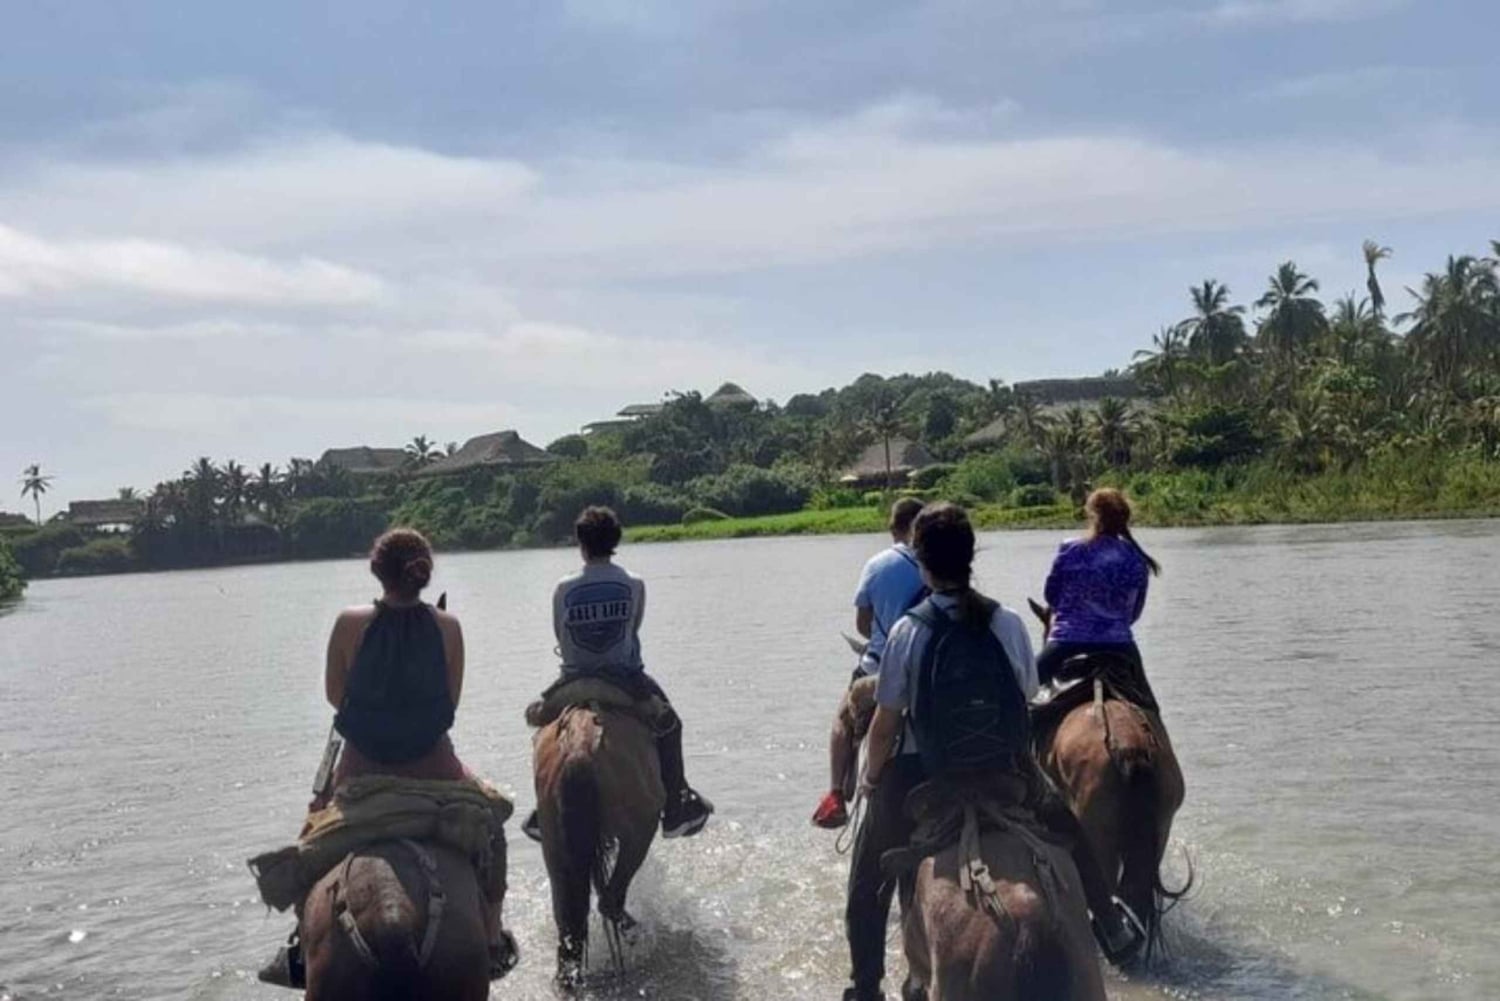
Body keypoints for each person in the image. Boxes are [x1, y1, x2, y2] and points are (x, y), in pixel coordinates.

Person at [846, 504, 1140, 1000]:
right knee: (1069, 829)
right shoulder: (1004, 621)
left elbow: (886, 723)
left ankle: (866, 985)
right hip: (1007, 769)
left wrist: (872, 779)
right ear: (971, 557)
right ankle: (1110, 924)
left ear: (922, 562)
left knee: (865, 879)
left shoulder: (908, 631)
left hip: (924, 773)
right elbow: (1026, 692)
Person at [259, 528, 513, 987]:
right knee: (491, 828)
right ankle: (493, 937)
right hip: (438, 772)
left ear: (377, 570)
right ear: (422, 573)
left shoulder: (348, 622)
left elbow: (337, 697)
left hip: (360, 774)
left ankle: (301, 945)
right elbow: (449, 704)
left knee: (310, 842)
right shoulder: (448, 626)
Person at [521, 506, 713, 841]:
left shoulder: (563, 588)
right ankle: (676, 807)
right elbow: (633, 627)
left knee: (539, 724)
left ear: (580, 543)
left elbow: (559, 635)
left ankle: (543, 809)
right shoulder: (633, 583)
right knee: (670, 725)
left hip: (572, 681)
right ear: (616, 540)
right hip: (625, 680)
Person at [812, 497, 927, 829]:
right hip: (931, 666)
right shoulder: (939, 562)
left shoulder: (878, 564)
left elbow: (863, 624)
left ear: (893, 528)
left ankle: (835, 794)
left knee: (842, 723)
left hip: (880, 664)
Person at [1036, 488, 1161, 689]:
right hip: (1119, 644)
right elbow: (1134, 613)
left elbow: (1051, 596)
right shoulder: (1136, 557)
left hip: (1066, 641)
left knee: (1020, 691)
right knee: (1148, 705)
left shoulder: (1070, 549)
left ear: (1092, 515)